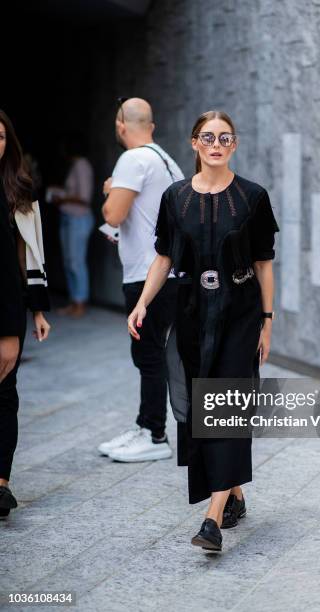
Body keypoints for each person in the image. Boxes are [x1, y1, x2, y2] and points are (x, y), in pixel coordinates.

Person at [127, 110, 279, 551]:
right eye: (208, 137)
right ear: (194, 143)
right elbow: (164, 259)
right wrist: (142, 303)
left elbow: (263, 264)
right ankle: (233, 494)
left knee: (226, 407)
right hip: (193, 314)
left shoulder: (253, 197)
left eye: (225, 138)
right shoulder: (175, 198)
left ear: (234, 145)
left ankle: (211, 521)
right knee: (199, 408)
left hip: (240, 314)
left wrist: (268, 321)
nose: (216, 144)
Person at [98, 97, 184, 462]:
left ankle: (153, 434)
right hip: (169, 272)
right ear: (152, 123)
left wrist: (109, 191)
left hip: (146, 275)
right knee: (153, 354)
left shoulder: (132, 159)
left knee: (147, 355)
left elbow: (114, 214)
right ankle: (147, 425)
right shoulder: (168, 161)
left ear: (121, 125)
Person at [0, 110, 51, 518]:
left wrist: (36, 310)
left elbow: (29, 254)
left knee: (4, 394)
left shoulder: (17, 189)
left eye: (1, 137)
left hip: (4, 304)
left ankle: (1, 484)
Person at [49, 133, 94, 318]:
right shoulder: (75, 165)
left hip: (78, 218)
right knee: (69, 262)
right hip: (68, 218)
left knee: (76, 262)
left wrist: (62, 197)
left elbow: (84, 197)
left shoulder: (82, 165)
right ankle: (74, 301)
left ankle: (80, 303)